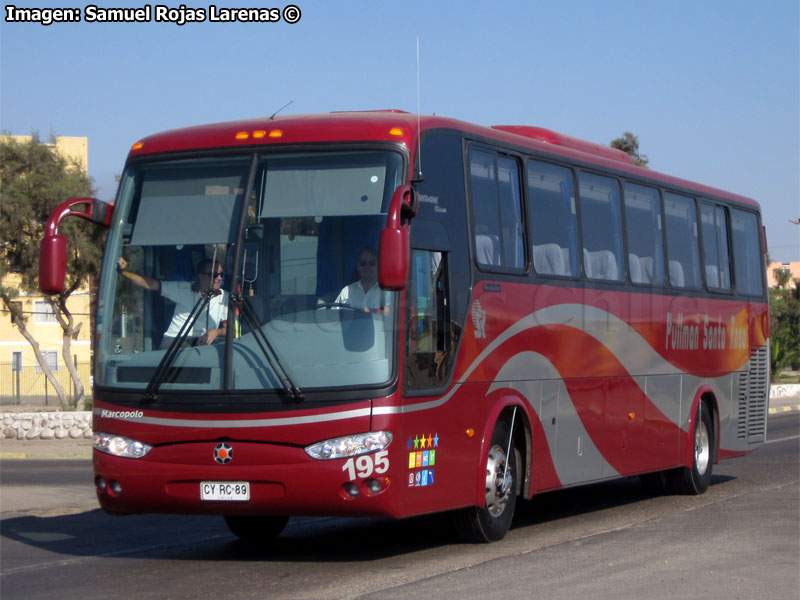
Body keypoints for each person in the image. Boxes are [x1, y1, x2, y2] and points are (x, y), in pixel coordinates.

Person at [117, 256, 228, 347]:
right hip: (175, 341)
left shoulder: (224, 297)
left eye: (221, 275)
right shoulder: (183, 289)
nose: (218, 278)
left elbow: (230, 330)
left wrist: (216, 332)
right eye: (213, 275)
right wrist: (124, 272)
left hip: (203, 344)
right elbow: (150, 284)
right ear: (200, 275)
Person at [335, 247, 391, 314]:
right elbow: (334, 315)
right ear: (358, 267)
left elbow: (390, 311)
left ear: (379, 266)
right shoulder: (346, 291)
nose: (367, 267)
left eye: (372, 263)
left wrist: (368, 311)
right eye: (363, 263)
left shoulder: (387, 292)